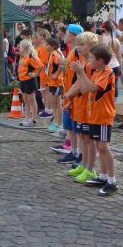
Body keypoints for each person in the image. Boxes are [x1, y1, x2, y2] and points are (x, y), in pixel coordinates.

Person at [75, 45, 118, 195]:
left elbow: (92, 88)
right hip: (94, 116)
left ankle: (112, 181)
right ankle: (103, 176)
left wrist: (81, 72)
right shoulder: (96, 72)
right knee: (99, 147)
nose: (89, 61)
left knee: (104, 147)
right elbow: (85, 88)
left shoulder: (107, 72)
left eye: (92, 58)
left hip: (103, 116)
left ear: (100, 61)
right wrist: (80, 74)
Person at [65, 32, 100, 183]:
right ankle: (84, 164)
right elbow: (78, 82)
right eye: (77, 44)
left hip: (88, 106)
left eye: (82, 44)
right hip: (80, 105)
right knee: (82, 137)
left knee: (88, 139)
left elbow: (84, 86)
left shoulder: (90, 65)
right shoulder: (83, 62)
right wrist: (69, 97)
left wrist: (69, 94)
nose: (78, 47)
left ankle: (90, 169)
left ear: (92, 46)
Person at [55, 24, 85, 160]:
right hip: (68, 91)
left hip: (74, 94)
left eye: (67, 34)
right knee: (69, 125)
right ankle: (73, 151)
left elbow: (80, 73)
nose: (64, 36)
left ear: (73, 36)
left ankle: (79, 153)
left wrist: (71, 93)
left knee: (75, 126)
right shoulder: (71, 50)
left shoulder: (78, 51)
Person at [17, 39, 43, 127]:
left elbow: (40, 66)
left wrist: (35, 74)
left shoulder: (31, 57)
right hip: (23, 80)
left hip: (29, 81)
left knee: (31, 99)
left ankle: (34, 119)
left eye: (20, 47)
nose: (19, 48)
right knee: (26, 100)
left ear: (24, 48)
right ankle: (27, 118)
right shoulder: (22, 57)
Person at [44, 37, 64, 134]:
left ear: (53, 46)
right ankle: (56, 122)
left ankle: (59, 124)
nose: (45, 46)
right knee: (54, 104)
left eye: (47, 45)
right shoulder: (52, 54)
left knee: (57, 104)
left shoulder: (55, 54)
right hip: (52, 82)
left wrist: (56, 74)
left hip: (56, 82)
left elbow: (61, 64)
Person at [100, 20, 122, 98]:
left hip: (104, 66)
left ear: (104, 28)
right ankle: (114, 103)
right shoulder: (116, 41)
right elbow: (119, 56)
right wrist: (121, 68)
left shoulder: (100, 39)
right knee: (114, 86)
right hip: (115, 65)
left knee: (103, 86)